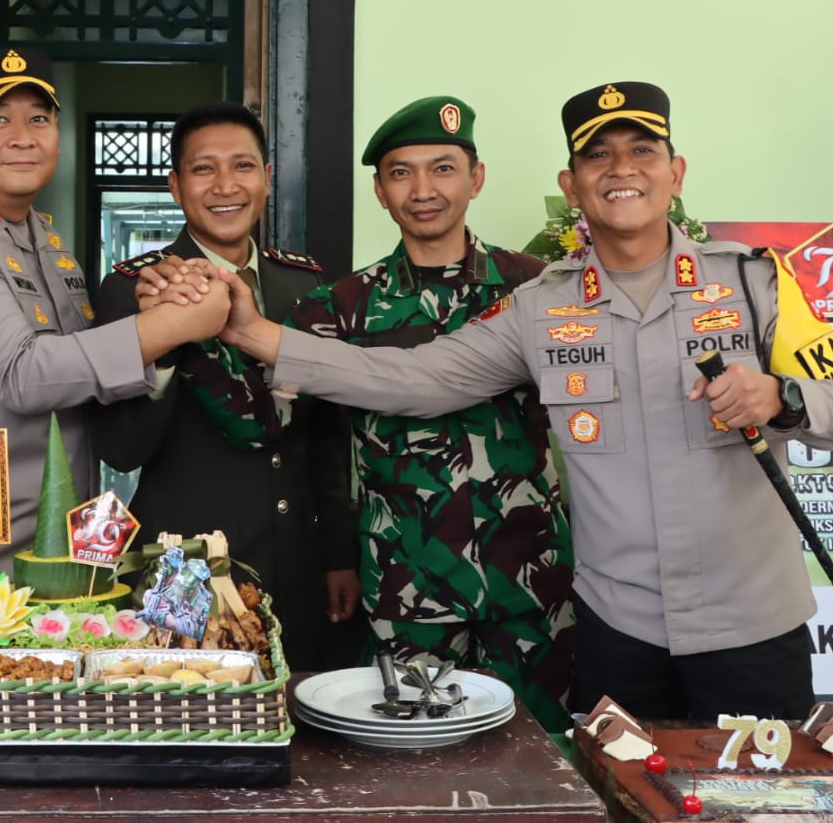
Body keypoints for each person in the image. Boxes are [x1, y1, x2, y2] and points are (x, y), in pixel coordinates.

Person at [209, 81, 833, 721]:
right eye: (597, 155)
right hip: (619, 632)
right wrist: (253, 333)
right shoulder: (540, 305)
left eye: (641, 151)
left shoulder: (756, 281)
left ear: (675, 173)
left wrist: (779, 395)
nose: (621, 169)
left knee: (759, 801)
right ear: (571, 185)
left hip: (752, 624)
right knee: (618, 798)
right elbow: (411, 379)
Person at [151, 97, 575, 725]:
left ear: (476, 178)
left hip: (530, 574)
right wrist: (185, 325)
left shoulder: (537, 287)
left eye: (444, 169)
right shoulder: (338, 308)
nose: (424, 190)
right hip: (409, 582)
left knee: (547, 750)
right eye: (401, 173)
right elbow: (262, 423)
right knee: (412, 762)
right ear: (379, 190)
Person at [0, 46, 231, 585]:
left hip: (48, 544)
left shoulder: (38, 232)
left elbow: (77, 364)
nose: (23, 136)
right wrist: (168, 327)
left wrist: (155, 307)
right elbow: (24, 375)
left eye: (39, 118)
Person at [92, 102, 360, 671]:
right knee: (187, 713)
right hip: (182, 561)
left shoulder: (305, 281)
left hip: (297, 552)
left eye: (242, 166)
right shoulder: (132, 290)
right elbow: (120, 448)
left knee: (301, 712)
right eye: (203, 169)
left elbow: (330, 438)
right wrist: (162, 338)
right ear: (174, 186)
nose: (225, 186)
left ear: (265, 178)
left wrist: (339, 554)